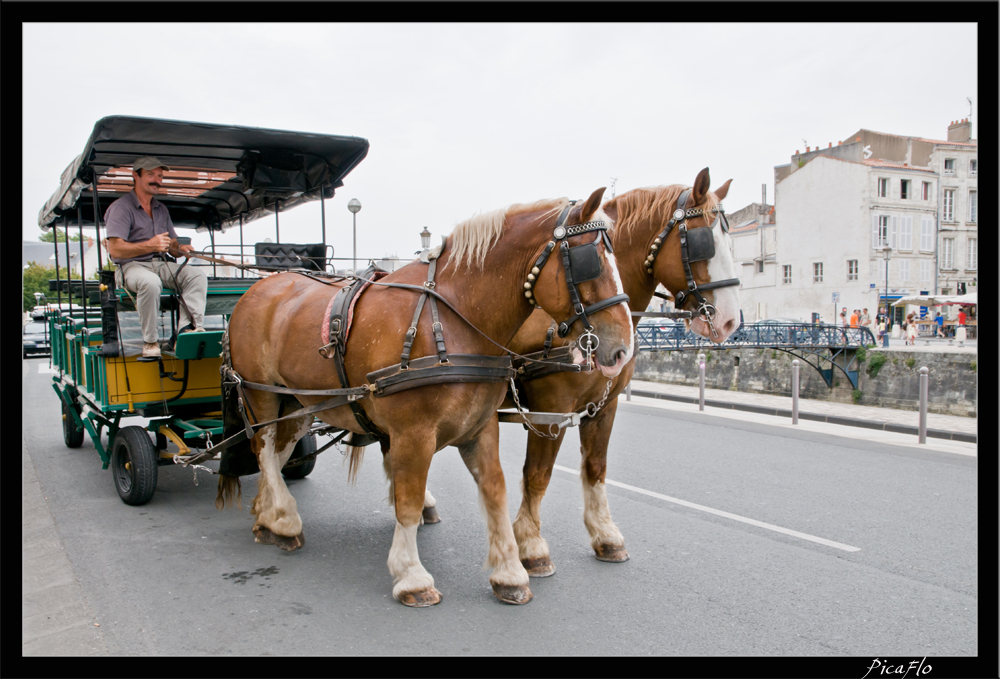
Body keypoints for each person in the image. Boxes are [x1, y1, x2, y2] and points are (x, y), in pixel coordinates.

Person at [104, 157, 208, 359]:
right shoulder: (121, 208)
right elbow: (115, 250)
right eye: (151, 174)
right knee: (150, 282)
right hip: (131, 266)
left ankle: (186, 331)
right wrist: (150, 245)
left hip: (160, 264)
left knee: (197, 275)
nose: (156, 180)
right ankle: (150, 342)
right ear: (136, 175)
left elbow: (172, 244)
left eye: (160, 176)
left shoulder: (161, 209)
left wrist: (181, 248)